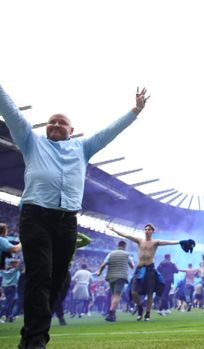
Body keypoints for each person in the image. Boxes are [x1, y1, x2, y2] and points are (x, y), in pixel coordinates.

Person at [0, 82, 149, 349]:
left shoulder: (82, 147)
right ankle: (35, 340)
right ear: (46, 128)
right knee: (40, 276)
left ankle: (30, 338)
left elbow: (108, 133)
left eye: (61, 123)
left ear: (71, 130)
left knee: (58, 280)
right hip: (35, 217)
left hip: (67, 221)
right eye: (51, 122)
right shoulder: (31, 142)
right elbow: (11, 111)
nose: (55, 125)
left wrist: (134, 112)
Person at [107, 223, 194, 322]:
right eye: (146, 229)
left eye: (149, 229)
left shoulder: (155, 242)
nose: (147, 231)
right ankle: (140, 308)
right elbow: (126, 235)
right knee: (134, 292)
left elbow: (168, 242)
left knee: (149, 293)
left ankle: (147, 313)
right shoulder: (140, 240)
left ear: (152, 231)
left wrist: (180, 242)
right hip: (140, 268)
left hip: (150, 268)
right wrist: (113, 229)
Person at [96, 240, 135, 322]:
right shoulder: (127, 255)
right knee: (117, 295)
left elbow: (104, 264)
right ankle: (110, 313)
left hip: (110, 276)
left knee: (113, 295)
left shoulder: (111, 253)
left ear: (118, 246)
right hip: (121, 277)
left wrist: (99, 271)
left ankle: (113, 314)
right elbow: (132, 266)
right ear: (125, 246)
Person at [0, 258, 21, 323]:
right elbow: (19, 265)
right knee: (8, 303)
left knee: (8, 302)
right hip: (12, 287)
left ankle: (8, 317)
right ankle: (2, 315)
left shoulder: (3, 271)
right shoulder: (14, 270)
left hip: (5, 287)